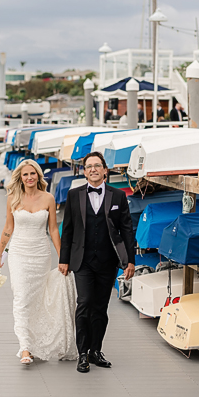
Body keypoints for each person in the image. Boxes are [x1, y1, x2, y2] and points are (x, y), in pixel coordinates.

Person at [0, 159, 78, 365]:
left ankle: (35, 343)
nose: (29, 177)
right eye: (25, 174)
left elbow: (52, 230)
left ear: (38, 176)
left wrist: (62, 258)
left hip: (41, 254)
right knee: (21, 298)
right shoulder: (13, 198)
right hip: (19, 253)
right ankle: (24, 347)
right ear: (20, 178)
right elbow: (8, 228)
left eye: (33, 174)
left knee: (38, 299)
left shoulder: (48, 198)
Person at [59, 152, 136, 373]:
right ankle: (82, 353)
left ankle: (95, 351)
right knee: (84, 303)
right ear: (84, 171)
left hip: (107, 260)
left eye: (97, 166)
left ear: (105, 170)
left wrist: (130, 260)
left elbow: (127, 230)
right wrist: (64, 259)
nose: (93, 169)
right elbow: (68, 231)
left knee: (100, 308)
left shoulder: (118, 196)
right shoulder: (74, 195)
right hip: (81, 261)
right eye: (88, 166)